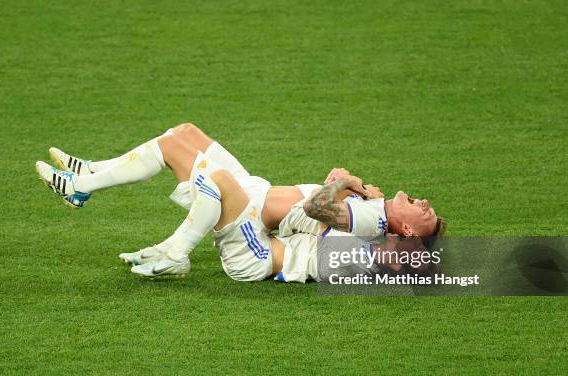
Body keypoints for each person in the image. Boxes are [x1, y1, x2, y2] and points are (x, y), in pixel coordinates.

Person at [35, 123, 444, 279]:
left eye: (425, 215)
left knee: (217, 179)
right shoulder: (367, 220)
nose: (425, 203)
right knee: (182, 135)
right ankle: (89, 175)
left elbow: (313, 209)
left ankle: (175, 252)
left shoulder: (373, 222)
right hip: (257, 202)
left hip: (254, 247)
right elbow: (313, 215)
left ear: (405, 229)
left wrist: (347, 183)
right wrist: (341, 188)